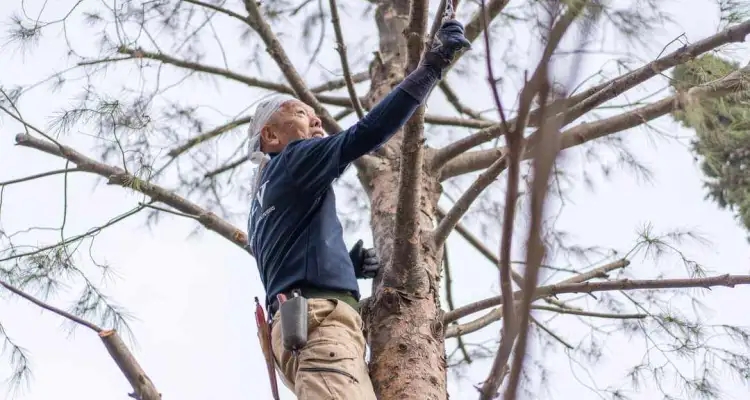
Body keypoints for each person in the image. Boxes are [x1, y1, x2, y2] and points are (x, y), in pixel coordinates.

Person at [246, 19, 471, 400]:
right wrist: (431, 67)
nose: (317, 119)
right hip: (318, 330)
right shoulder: (293, 161)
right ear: (270, 136)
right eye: (300, 114)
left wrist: (341, 269)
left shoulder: (261, 202)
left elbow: (286, 264)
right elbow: (364, 134)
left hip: (301, 332)